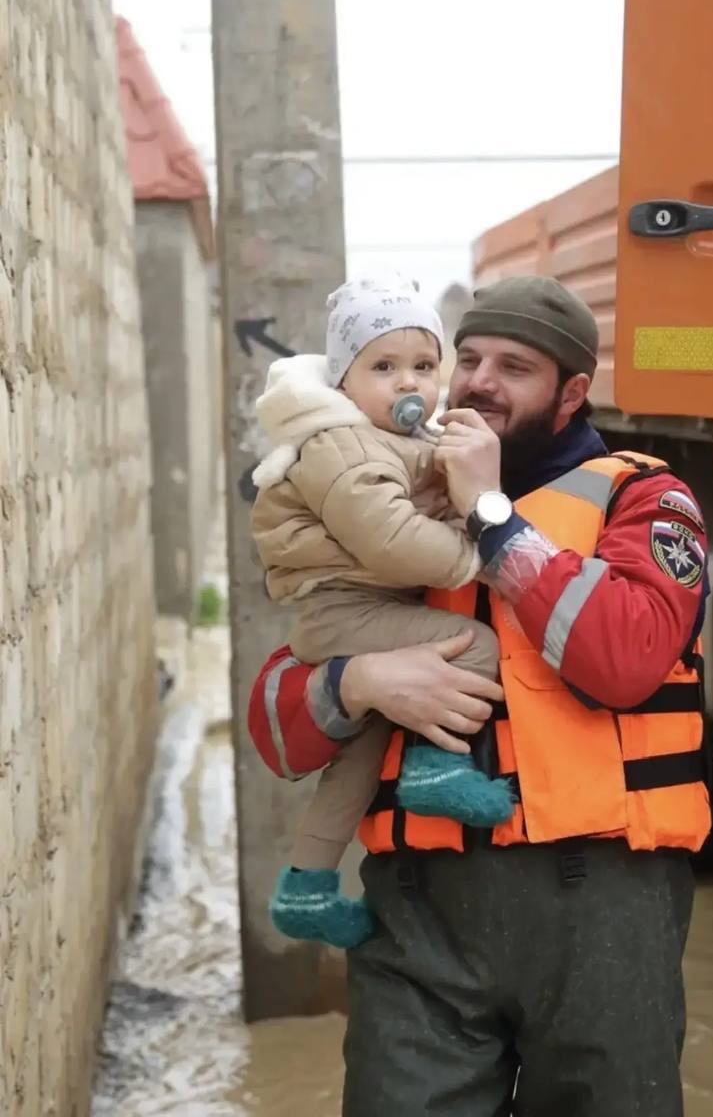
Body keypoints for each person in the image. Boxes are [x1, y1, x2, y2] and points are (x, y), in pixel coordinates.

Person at [249, 275, 711, 1117]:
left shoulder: (643, 497)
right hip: (418, 916)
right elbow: (277, 732)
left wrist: (491, 515)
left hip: (602, 912)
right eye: (466, 359)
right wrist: (355, 682)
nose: (476, 384)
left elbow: (624, 658)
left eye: (515, 367)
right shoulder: (384, 497)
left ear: (572, 393)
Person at [251, 275, 511, 949]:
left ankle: (305, 888)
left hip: (359, 607)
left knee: (359, 754)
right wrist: (478, 556)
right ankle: (436, 769)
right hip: (345, 609)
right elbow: (390, 540)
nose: (408, 385)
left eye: (424, 367)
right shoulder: (338, 446)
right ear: (343, 381)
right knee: (468, 641)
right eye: (384, 367)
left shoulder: (389, 437)